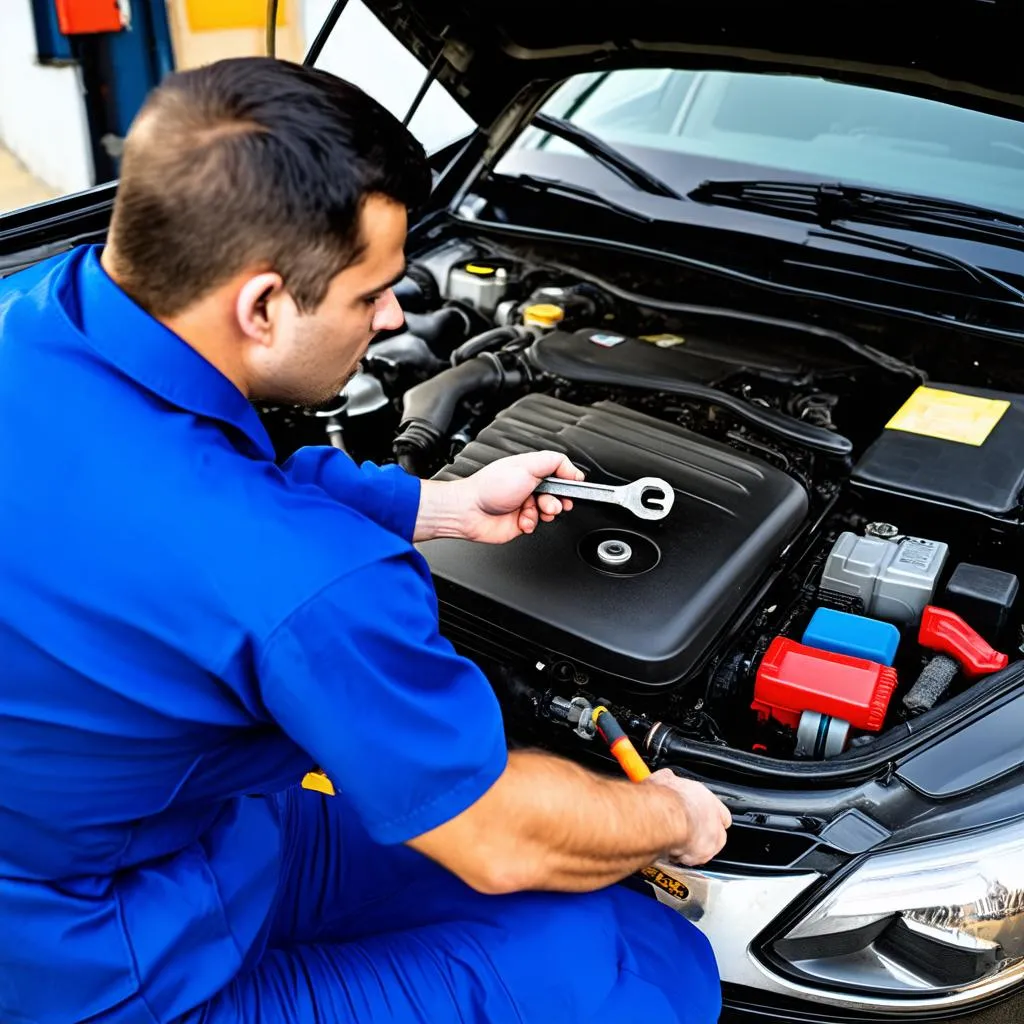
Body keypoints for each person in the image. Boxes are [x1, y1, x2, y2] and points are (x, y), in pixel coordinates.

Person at [0, 57, 731, 1024]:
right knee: (620, 958)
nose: (393, 315)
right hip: (105, 970)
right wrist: (672, 817)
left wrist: (447, 506)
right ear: (260, 306)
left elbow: (212, 492)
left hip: (131, 833)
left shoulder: (40, 315)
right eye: (370, 293)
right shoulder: (305, 581)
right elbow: (500, 836)